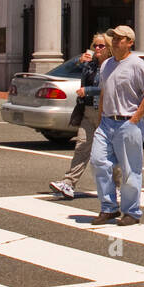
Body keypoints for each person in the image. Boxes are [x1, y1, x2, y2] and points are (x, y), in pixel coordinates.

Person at [88, 26, 144, 226]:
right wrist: (100, 119)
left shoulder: (137, 64)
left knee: (129, 170)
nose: (115, 41)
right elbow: (103, 94)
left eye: (120, 38)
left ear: (130, 42)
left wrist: (134, 120)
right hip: (106, 122)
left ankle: (132, 212)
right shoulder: (107, 64)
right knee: (98, 161)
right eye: (114, 38)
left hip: (127, 122)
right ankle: (108, 207)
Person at [49, 33, 112, 200]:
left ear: (109, 48)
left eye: (101, 46)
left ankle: (117, 186)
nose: (97, 49)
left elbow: (109, 89)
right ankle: (68, 183)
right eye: (95, 46)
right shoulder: (89, 65)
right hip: (88, 111)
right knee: (81, 147)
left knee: (110, 152)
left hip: (104, 112)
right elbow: (67, 71)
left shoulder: (112, 66)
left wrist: (88, 91)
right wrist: (79, 62)